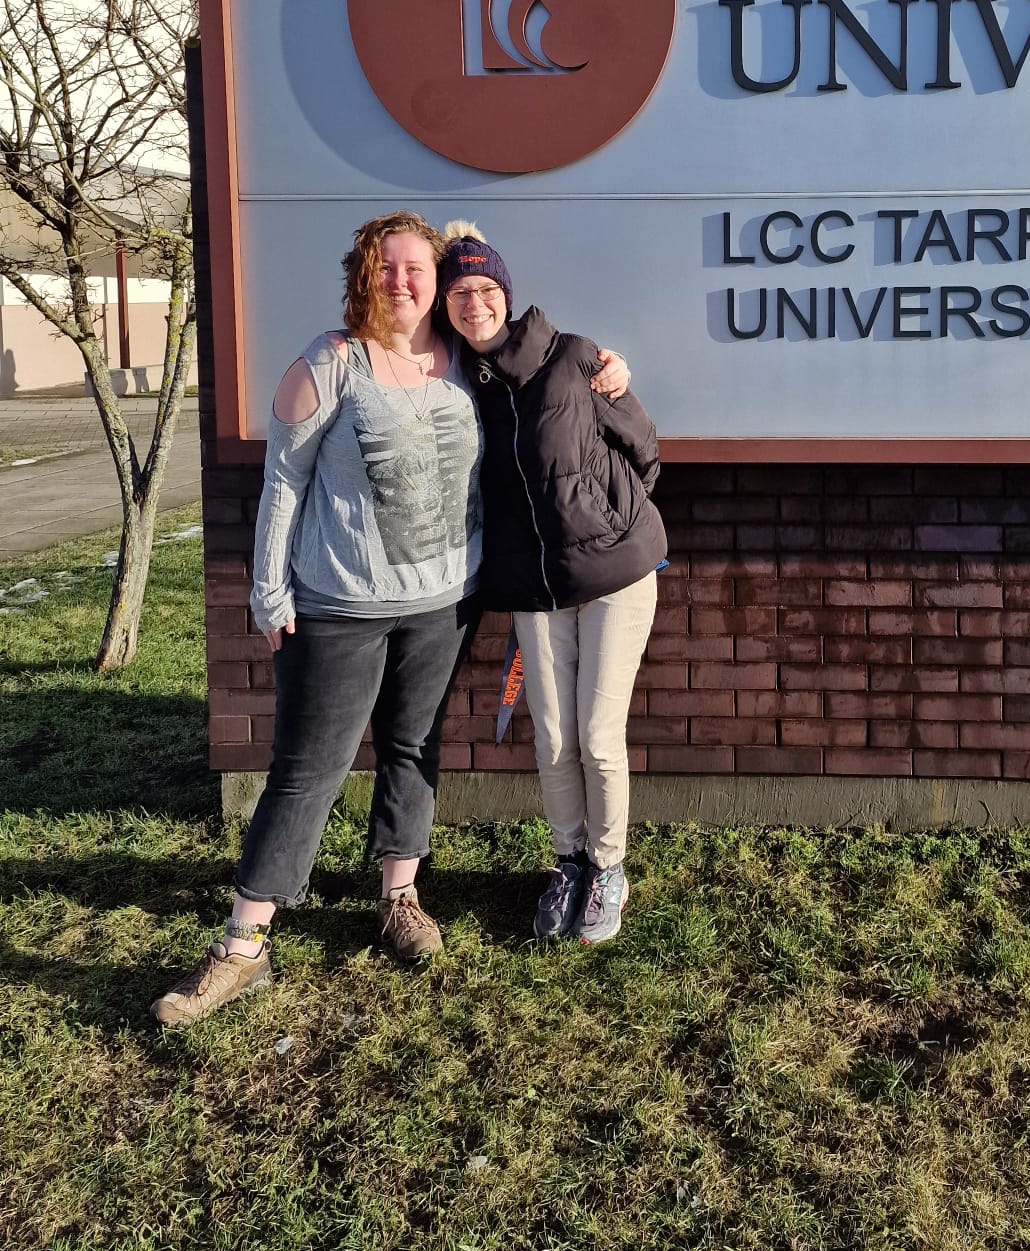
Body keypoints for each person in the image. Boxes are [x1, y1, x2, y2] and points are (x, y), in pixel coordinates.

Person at [152, 210, 629, 1026]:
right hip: (339, 603)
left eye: (418, 269)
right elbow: (283, 483)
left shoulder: (463, 367)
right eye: (388, 267)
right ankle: (242, 945)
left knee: (413, 747)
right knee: (310, 768)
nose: (403, 281)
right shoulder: (331, 362)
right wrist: (269, 592)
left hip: (444, 602)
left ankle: (399, 897)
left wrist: (611, 367)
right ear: (364, 276)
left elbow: (547, 371)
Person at [439, 221, 667, 946]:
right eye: (459, 292)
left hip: (613, 574)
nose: (473, 302)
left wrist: (606, 513)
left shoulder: (572, 358)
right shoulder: (455, 385)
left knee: (599, 737)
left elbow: (644, 447)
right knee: (553, 738)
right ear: (445, 306)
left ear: (505, 293)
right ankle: (568, 861)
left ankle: (609, 869)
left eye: (484, 288)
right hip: (532, 586)